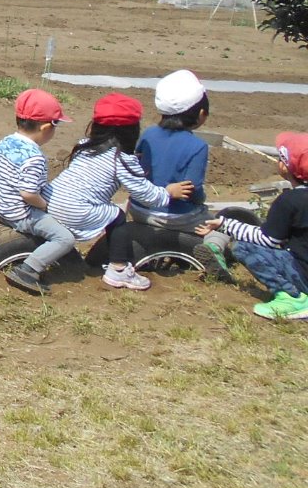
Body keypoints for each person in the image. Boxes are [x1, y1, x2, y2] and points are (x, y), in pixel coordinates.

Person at [46, 93, 194, 291]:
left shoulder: (84, 146)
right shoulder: (121, 159)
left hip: (51, 200)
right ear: (132, 131)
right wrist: (168, 193)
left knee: (100, 209)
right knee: (117, 216)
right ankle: (118, 269)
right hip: (75, 210)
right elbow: (145, 194)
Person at [129, 69, 232, 281]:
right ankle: (213, 249)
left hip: (140, 210)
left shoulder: (148, 134)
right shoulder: (197, 146)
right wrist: (201, 200)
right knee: (220, 229)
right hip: (177, 218)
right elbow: (191, 190)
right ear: (201, 115)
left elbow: (137, 168)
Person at [196, 132, 308, 321]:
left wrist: (226, 224)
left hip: (303, 273)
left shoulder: (290, 200)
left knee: (244, 247)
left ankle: (293, 297)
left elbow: (268, 239)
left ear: (284, 166)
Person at [0, 88, 76, 296]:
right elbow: (28, 194)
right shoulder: (34, 158)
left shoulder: (6, 142)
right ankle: (28, 270)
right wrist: (45, 206)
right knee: (65, 238)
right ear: (46, 128)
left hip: (0, 205)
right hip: (21, 214)